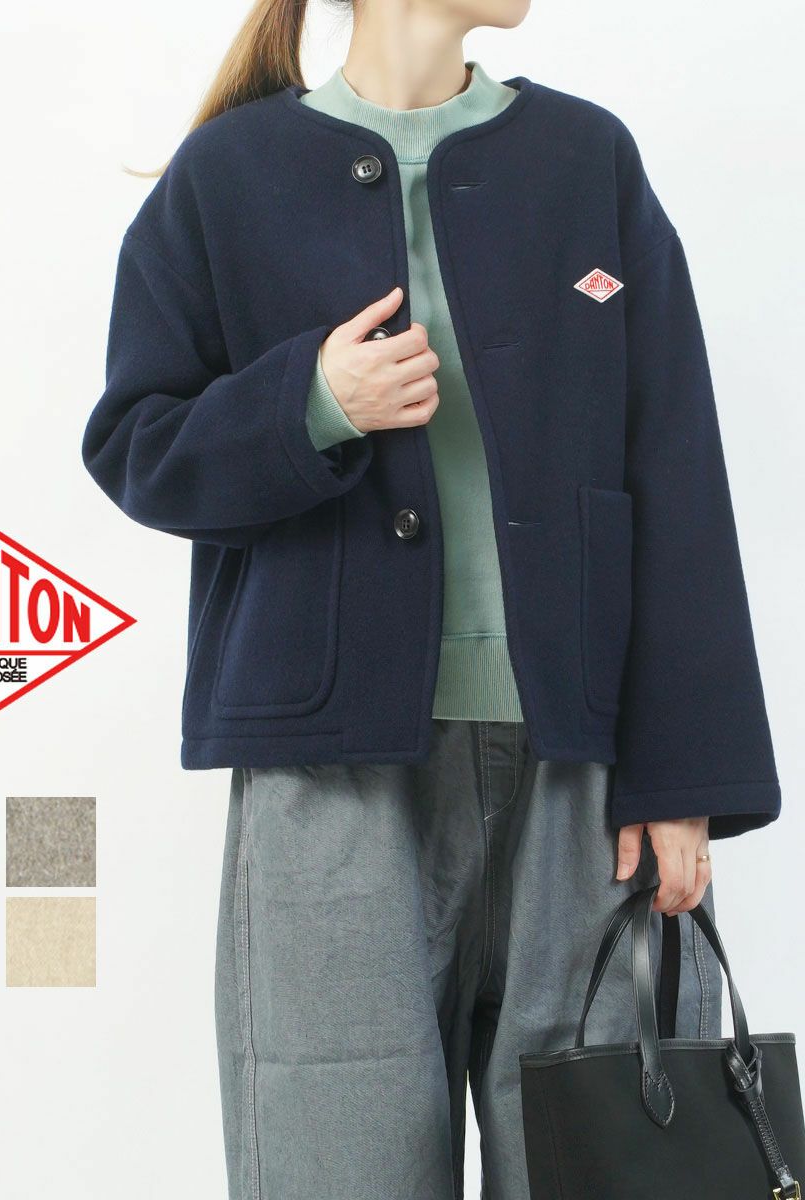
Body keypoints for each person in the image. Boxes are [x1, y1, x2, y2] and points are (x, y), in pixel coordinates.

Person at [80, 1, 783, 1196]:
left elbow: (673, 464)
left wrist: (686, 776)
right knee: (332, 1159)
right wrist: (313, 403)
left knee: (601, 1165)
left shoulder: (585, 159)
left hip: (581, 776)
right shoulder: (229, 175)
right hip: (328, 779)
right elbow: (137, 444)